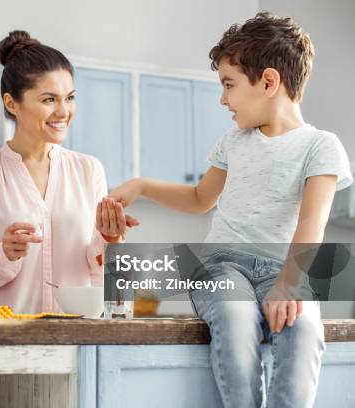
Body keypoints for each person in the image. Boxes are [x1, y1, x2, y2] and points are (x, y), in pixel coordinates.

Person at [108, 12, 352, 408]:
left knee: (305, 329)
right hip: (220, 265)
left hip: (284, 270)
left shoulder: (321, 146)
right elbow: (200, 198)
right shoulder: (232, 142)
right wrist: (142, 184)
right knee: (237, 322)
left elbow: (313, 221)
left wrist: (288, 284)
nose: (223, 99)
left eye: (229, 85)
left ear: (268, 82)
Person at [0, 30, 138, 313]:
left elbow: (103, 275)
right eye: (49, 100)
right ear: (12, 103)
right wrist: (4, 254)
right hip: (3, 340)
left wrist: (109, 239)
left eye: (69, 98)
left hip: (74, 340)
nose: (64, 111)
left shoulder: (88, 170)